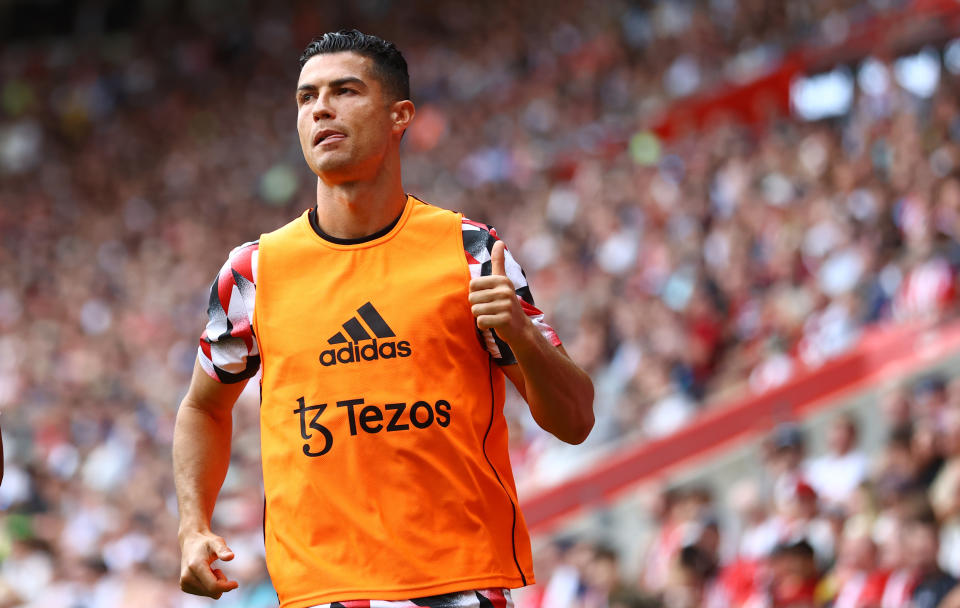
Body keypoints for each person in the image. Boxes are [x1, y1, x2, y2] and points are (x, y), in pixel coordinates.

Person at [172, 29, 595, 608]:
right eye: (305, 97)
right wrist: (192, 524)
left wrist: (521, 336)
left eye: (344, 91)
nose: (320, 107)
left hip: (456, 584)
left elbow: (574, 421)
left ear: (401, 116)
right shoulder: (253, 271)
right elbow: (203, 406)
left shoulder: (470, 252)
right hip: (321, 591)